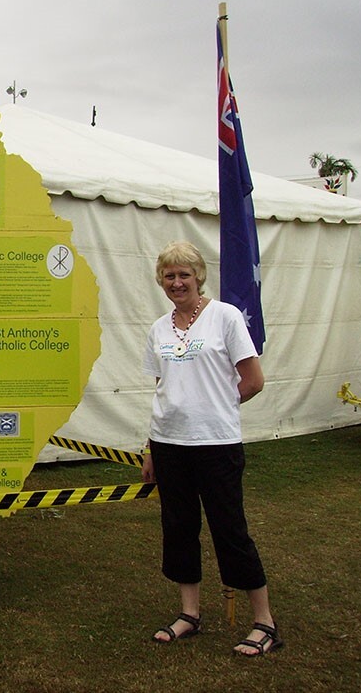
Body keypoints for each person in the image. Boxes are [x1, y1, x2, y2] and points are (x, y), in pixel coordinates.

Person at [141, 241, 282, 657]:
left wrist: (215, 405)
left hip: (216, 444)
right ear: (161, 281)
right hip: (169, 444)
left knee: (230, 530)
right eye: (169, 276)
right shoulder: (158, 329)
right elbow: (162, 389)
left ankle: (265, 622)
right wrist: (149, 446)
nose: (177, 282)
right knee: (179, 528)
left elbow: (253, 380)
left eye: (184, 274)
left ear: (199, 276)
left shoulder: (225, 317)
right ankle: (190, 614)